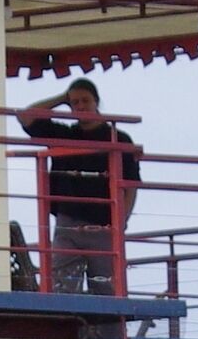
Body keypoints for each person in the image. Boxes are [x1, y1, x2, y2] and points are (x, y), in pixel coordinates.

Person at [18, 79, 143, 294]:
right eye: (75, 102)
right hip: (68, 223)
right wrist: (61, 98)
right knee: (61, 290)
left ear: (96, 101)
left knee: (107, 293)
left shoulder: (118, 138)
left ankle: (108, 329)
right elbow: (25, 116)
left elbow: (130, 185)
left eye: (85, 100)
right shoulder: (65, 135)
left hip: (105, 225)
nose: (81, 106)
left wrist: (122, 221)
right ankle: (66, 328)